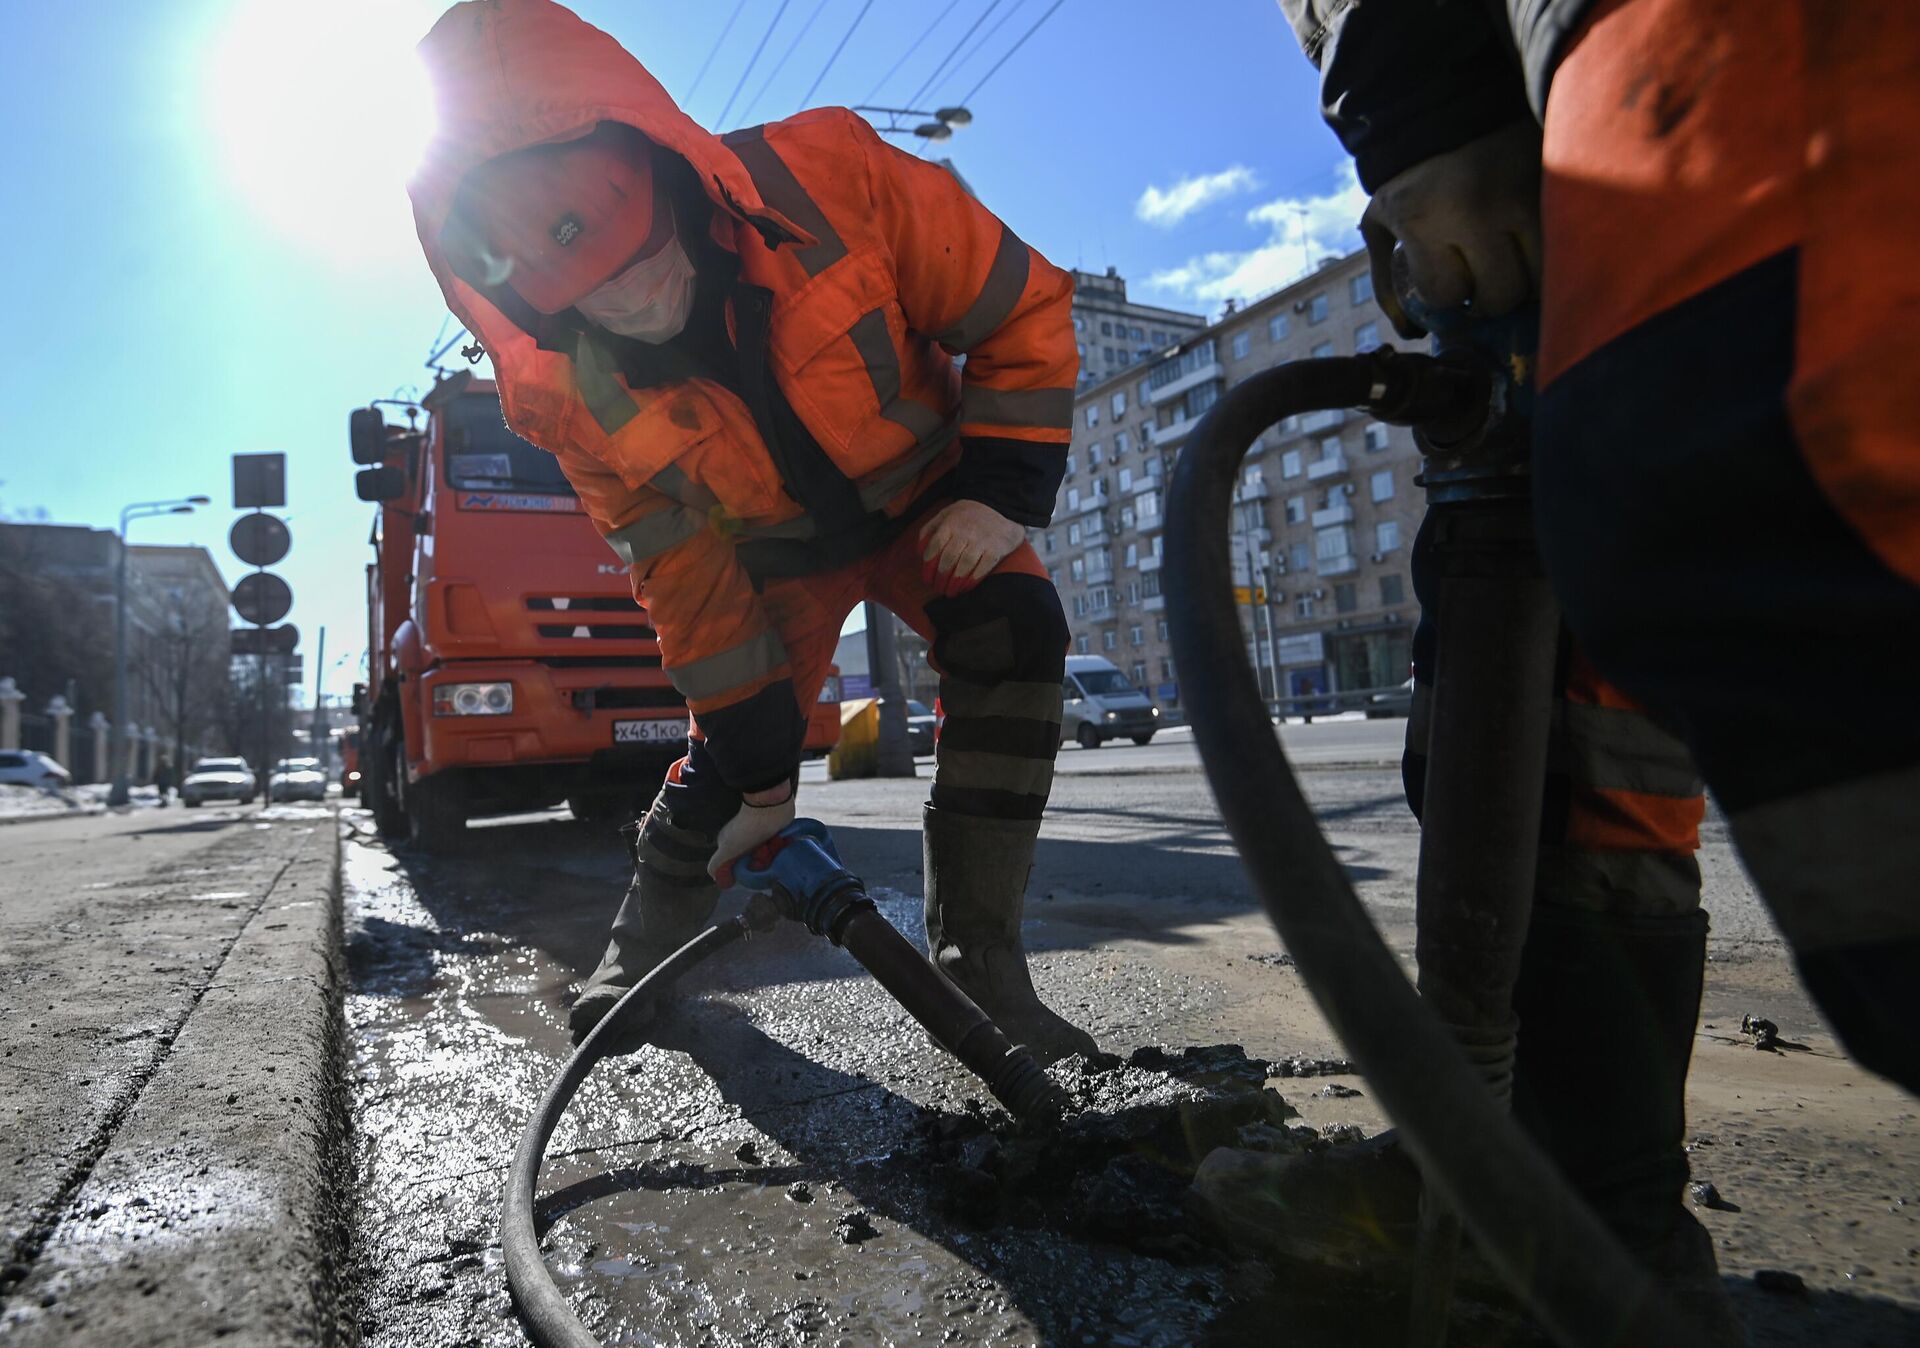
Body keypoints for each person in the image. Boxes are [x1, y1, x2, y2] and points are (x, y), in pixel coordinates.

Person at [1209, 0, 1920, 1336]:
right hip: (1532, 117)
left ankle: (1538, 1201)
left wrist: (1413, 104)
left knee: (1800, 503)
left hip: (1661, 71)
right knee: (1563, 679)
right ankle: (1557, 1202)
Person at [407, 0, 1095, 1062]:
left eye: (647, 269)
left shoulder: (833, 176)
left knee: (1014, 630)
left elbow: (1020, 307)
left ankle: (981, 961)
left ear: (669, 175)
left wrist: (1002, 490)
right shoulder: (560, 396)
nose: (642, 313)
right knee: (733, 752)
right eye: (598, 304)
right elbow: (675, 568)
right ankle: (636, 958)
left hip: (931, 496)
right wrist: (759, 755)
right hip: (767, 550)